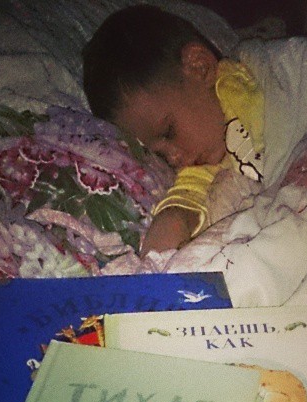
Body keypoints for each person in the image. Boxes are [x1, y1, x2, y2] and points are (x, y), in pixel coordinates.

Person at [82, 5, 264, 257]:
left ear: (200, 67)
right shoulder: (203, 165)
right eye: (161, 154)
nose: (175, 158)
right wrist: (171, 221)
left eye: (169, 132)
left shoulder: (246, 84)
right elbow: (186, 198)